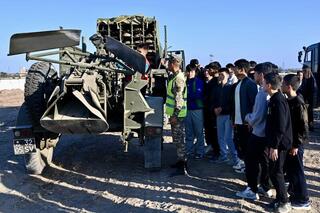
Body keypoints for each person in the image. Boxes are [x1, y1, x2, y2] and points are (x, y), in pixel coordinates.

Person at [236, 62, 275, 201]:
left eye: (256, 74)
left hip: (258, 133)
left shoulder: (261, 94)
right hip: (267, 135)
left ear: (262, 75)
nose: (254, 76)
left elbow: (257, 116)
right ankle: (266, 186)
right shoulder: (273, 92)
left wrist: (247, 117)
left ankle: (252, 189)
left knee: (251, 161)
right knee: (265, 162)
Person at [282, 74, 311, 211]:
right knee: (292, 171)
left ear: (289, 86)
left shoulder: (298, 102)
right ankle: (294, 195)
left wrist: (296, 145)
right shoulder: (288, 100)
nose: (281, 86)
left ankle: (303, 200)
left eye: (283, 84)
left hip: (295, 146)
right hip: (290, 144)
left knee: (298, 172)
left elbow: (303, 128)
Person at [264, 72, 292, 213]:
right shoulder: (273, 99)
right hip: (274, 143)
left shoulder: (279, 100)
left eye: (263, 82)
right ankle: (279, 199)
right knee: (273, 171)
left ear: (269, 85)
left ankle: (285, 202)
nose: (262, 85)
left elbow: (280, 127)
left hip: (280, 144)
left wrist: (274, 146)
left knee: (277, 172)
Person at [232, 59, 258, 173]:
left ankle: (249, 169)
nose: (234, 70)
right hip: (238, 122)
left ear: (242, 69)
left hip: (246, 123)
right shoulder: (238, 84)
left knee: (247, 147)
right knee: (239, 145)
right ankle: (243, 165)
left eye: (235, 68)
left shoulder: (250, 84)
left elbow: (254, 104)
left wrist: (250, 121)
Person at [166, 55, 188, 176]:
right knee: (177, 140)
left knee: (180, 141)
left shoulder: (178, 79)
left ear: (174, 63)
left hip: (178, 115)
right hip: (176, 115)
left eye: (169, 62)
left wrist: (174, 115)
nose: (167, 64)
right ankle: (180, 162)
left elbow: (179, 101)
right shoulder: (174, 77)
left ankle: (183, 167)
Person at [213, 68, 240, 166]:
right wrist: (215, 109)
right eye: (219, 74)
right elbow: (214, 101)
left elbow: (232, 103)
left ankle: (236, 159)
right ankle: (223, 156)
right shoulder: (217, 88)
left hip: (228, 115)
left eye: (222, 74)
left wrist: (222, 108)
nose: (220, 76)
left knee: (228, 137)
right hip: (219, 116)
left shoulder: (231, 88)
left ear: (228, 75)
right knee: (220, 137)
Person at [185, 64, 205, 159]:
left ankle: (200, 151)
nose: (189, 73)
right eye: (188, 71)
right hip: (187, 110)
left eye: (192, 71)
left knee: (198, 132)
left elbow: (197, 95)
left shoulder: (199, 82)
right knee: (189, 132)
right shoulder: (186, 81)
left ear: (195, 72)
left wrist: (186, 97)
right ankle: (189, 151)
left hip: (197, 109)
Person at [205, 61, 222, 159]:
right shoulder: (212, 81)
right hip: (209, 110)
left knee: (215, 133)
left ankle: (217, 152)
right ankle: (213, 150)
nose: (209, 71)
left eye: (210, 69)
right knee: (210, 132)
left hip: (214, 112)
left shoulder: (217, 82)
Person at [300, 65, 316, 131]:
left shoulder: (311, 79)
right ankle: (308, 125)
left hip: (309, 99)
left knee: (309, 112)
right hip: (306, 98)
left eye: (304, 70)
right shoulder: (307, 78)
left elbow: (313, 90)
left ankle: (310, 125)